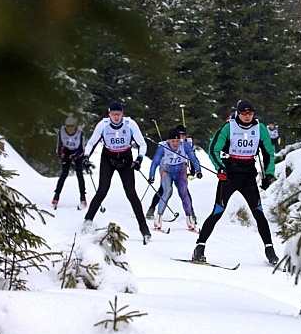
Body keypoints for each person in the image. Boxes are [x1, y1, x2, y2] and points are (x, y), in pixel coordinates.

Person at [192, 99, 279, 265]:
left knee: (258, 212)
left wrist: (269, 174)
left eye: (250, 113)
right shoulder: (229, 127)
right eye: (244, 113)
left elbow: (268, 152)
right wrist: (220, 169)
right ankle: (199, 247)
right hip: (230, 175)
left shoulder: (260, 128)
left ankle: (270, 250)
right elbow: (213, 149)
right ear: (238, 113)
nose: (247, 116)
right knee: (218, 211)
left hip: (248, 177)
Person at [81, 100, 151, 243]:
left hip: (126, 159)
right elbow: (91, 142)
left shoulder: (130, 124)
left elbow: (142, 144)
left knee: (131, 193)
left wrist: (139, 159)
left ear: (122, 114)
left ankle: (144, 229)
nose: (116, 117)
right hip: (108, 158)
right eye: (114, 114)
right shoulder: (103, 125)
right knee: (102, 190)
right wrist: (86, 157)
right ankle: (88, 221)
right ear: (109, 114)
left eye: (119, 114)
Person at [148, 128, 202, 231]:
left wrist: (198, 170)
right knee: (167, 191)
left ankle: (190, 220)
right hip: (166, 171)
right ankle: (158, 219)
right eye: (173, 141)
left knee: (184, 193)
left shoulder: (184, 145)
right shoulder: (163, 147)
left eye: (177, 141)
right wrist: (151, 176)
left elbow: (193, 158)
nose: (175, 143)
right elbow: (155, 163)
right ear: (168, 140)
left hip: (180, 171)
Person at [52, 116, 86, 208]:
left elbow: (82, 149)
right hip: (67, 151)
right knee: (64, 173)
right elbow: (59, 144)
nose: (70, 129)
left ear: (75, 126)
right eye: (68, 126)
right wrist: (59, 153)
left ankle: (83, 197)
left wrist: (76, 156)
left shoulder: (80, 133)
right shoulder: (62, 132)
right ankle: (56, 196)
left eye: (72, 126)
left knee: (79, 174)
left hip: (77, 152)